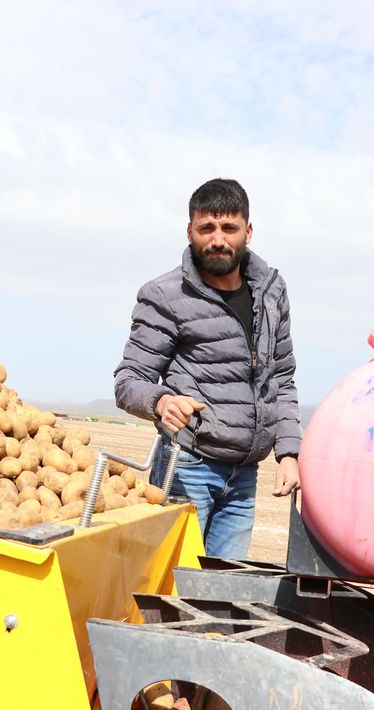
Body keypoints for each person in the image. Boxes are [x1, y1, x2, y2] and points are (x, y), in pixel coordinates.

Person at [113, 178, 301, 559]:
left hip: (244, 475)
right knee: (169, 589)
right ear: (190, 231)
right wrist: (162, 401)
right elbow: (129, 381)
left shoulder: (271, 292)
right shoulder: (166, 295)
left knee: (219, 596)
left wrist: (289, 453)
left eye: (229, 228)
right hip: (188, 466)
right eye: (206, 228)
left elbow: (282, 377)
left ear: (248, 231)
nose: (218, 240)